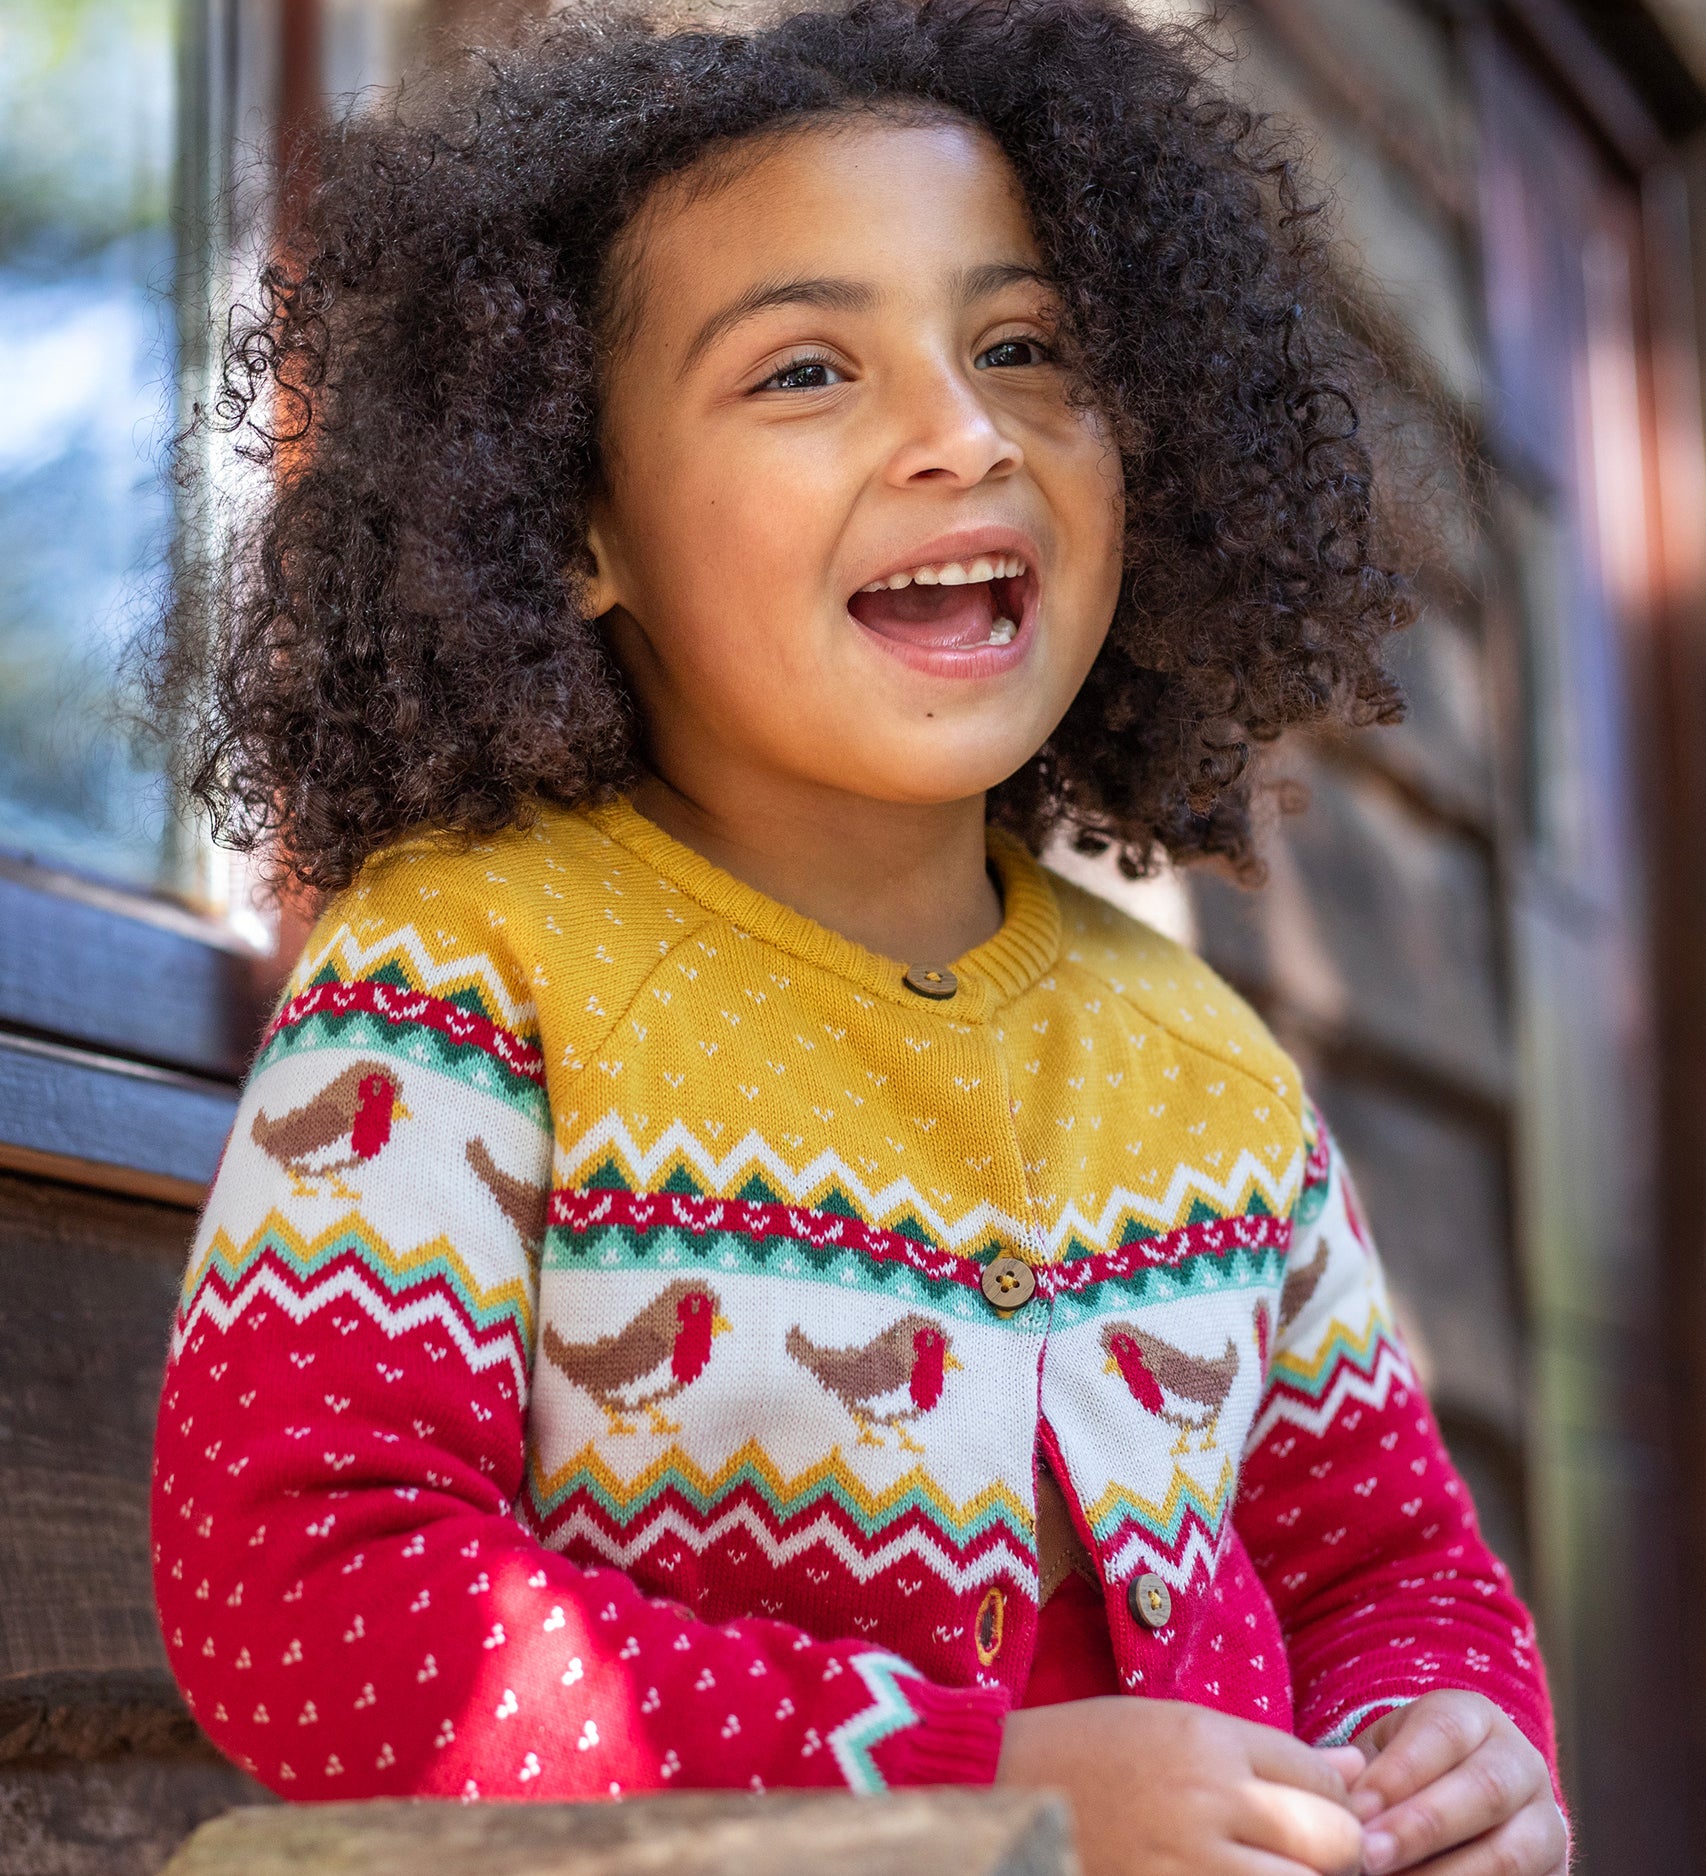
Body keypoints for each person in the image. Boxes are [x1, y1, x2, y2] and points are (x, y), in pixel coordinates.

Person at [150, 3, 1569, 1870]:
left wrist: (1437, 1746)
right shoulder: (470, 981)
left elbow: (1386, 1566)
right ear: (575, 518)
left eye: (1023, 347)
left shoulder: (1208, 1065)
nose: (960, 432)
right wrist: (958, 1775)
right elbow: (302, 1584)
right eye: (807, 370)